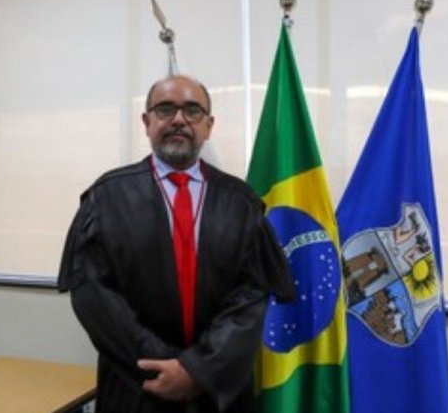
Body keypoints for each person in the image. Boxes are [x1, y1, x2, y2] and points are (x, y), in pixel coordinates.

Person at [58, 74, 295, 413]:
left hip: (217, 391)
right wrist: (161, 364)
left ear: (209, 126)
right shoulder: (107, 197)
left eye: (193, 110)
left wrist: (197, 371)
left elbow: (252, 294)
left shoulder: (240, 202)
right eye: (165, 109)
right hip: (137, 386)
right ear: (147, 122)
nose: (179, 120)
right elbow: (93, 295)